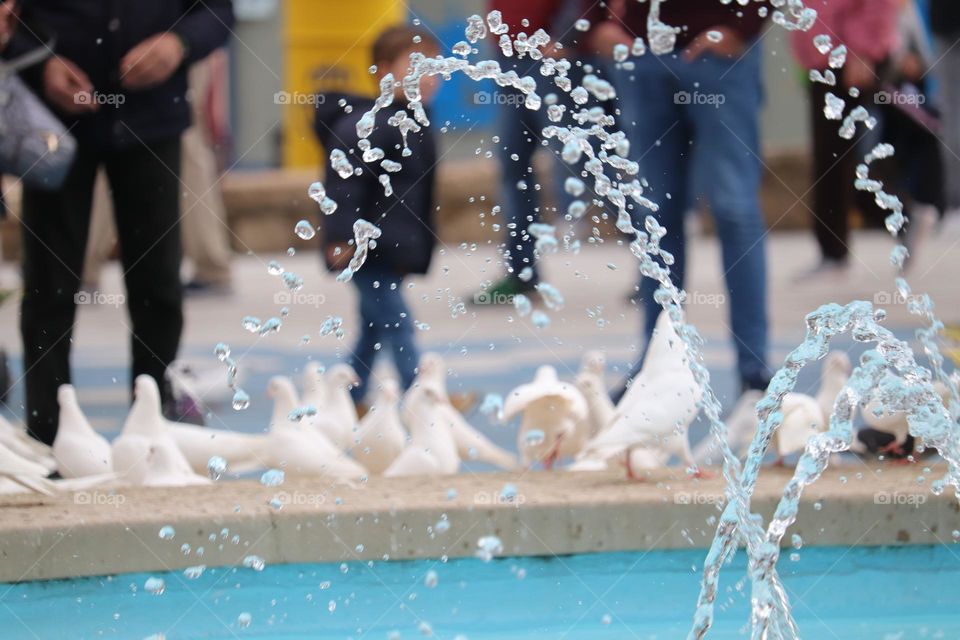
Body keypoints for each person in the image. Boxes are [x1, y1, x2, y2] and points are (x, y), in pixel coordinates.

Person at [7, 0, 235, 445]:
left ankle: (154, 427)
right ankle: (47, 434)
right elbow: (13, 21)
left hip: (152, 120)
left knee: (157, 281)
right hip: (55, 126)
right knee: (48, 283)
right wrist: (40, 65)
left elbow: (218, 12)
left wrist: (179, 44)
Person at [583, 1, 772, 394]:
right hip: (642, 52)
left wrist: (745, 24)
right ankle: (656, 367)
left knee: (734, 209)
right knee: (653, 215)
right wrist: (595, 21)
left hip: (721, 53)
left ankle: (754, 370)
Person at [314, 25, 440, 404]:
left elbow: (416, 195)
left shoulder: (417, 122)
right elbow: (343, 188)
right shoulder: (366, 126)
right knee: (398, 324)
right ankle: (421, 397)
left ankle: (349, 399)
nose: (429, 78)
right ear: (385, 71)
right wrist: (341, 238)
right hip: (364, 250)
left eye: (435, 68)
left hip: (391, 249)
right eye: (417, 66)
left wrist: (411, 250)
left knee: (374, 328)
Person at [82, 50, 235, 296]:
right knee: (181, 143)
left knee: (180, 143)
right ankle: (211, 264)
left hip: (165, 41)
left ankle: (81, 264)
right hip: (159, 38)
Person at [477, 0, 589, 304]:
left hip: (551, 58)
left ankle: (654, 265)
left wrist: (566, 36)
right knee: (512, 163)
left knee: (585, 163)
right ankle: (522, 273)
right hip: (510, 57)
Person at [790, 0, 901, 280]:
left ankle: (836, 250)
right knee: (836, 155)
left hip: (847, 54)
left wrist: (863, 49)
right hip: (824, 54)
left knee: (832, 157)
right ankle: (902, 216)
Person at [930, 0, 960, 230]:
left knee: (953, 116)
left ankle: (955, 205)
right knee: (953, 119)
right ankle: (955, 203)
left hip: (944, 22)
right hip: (946, 23)